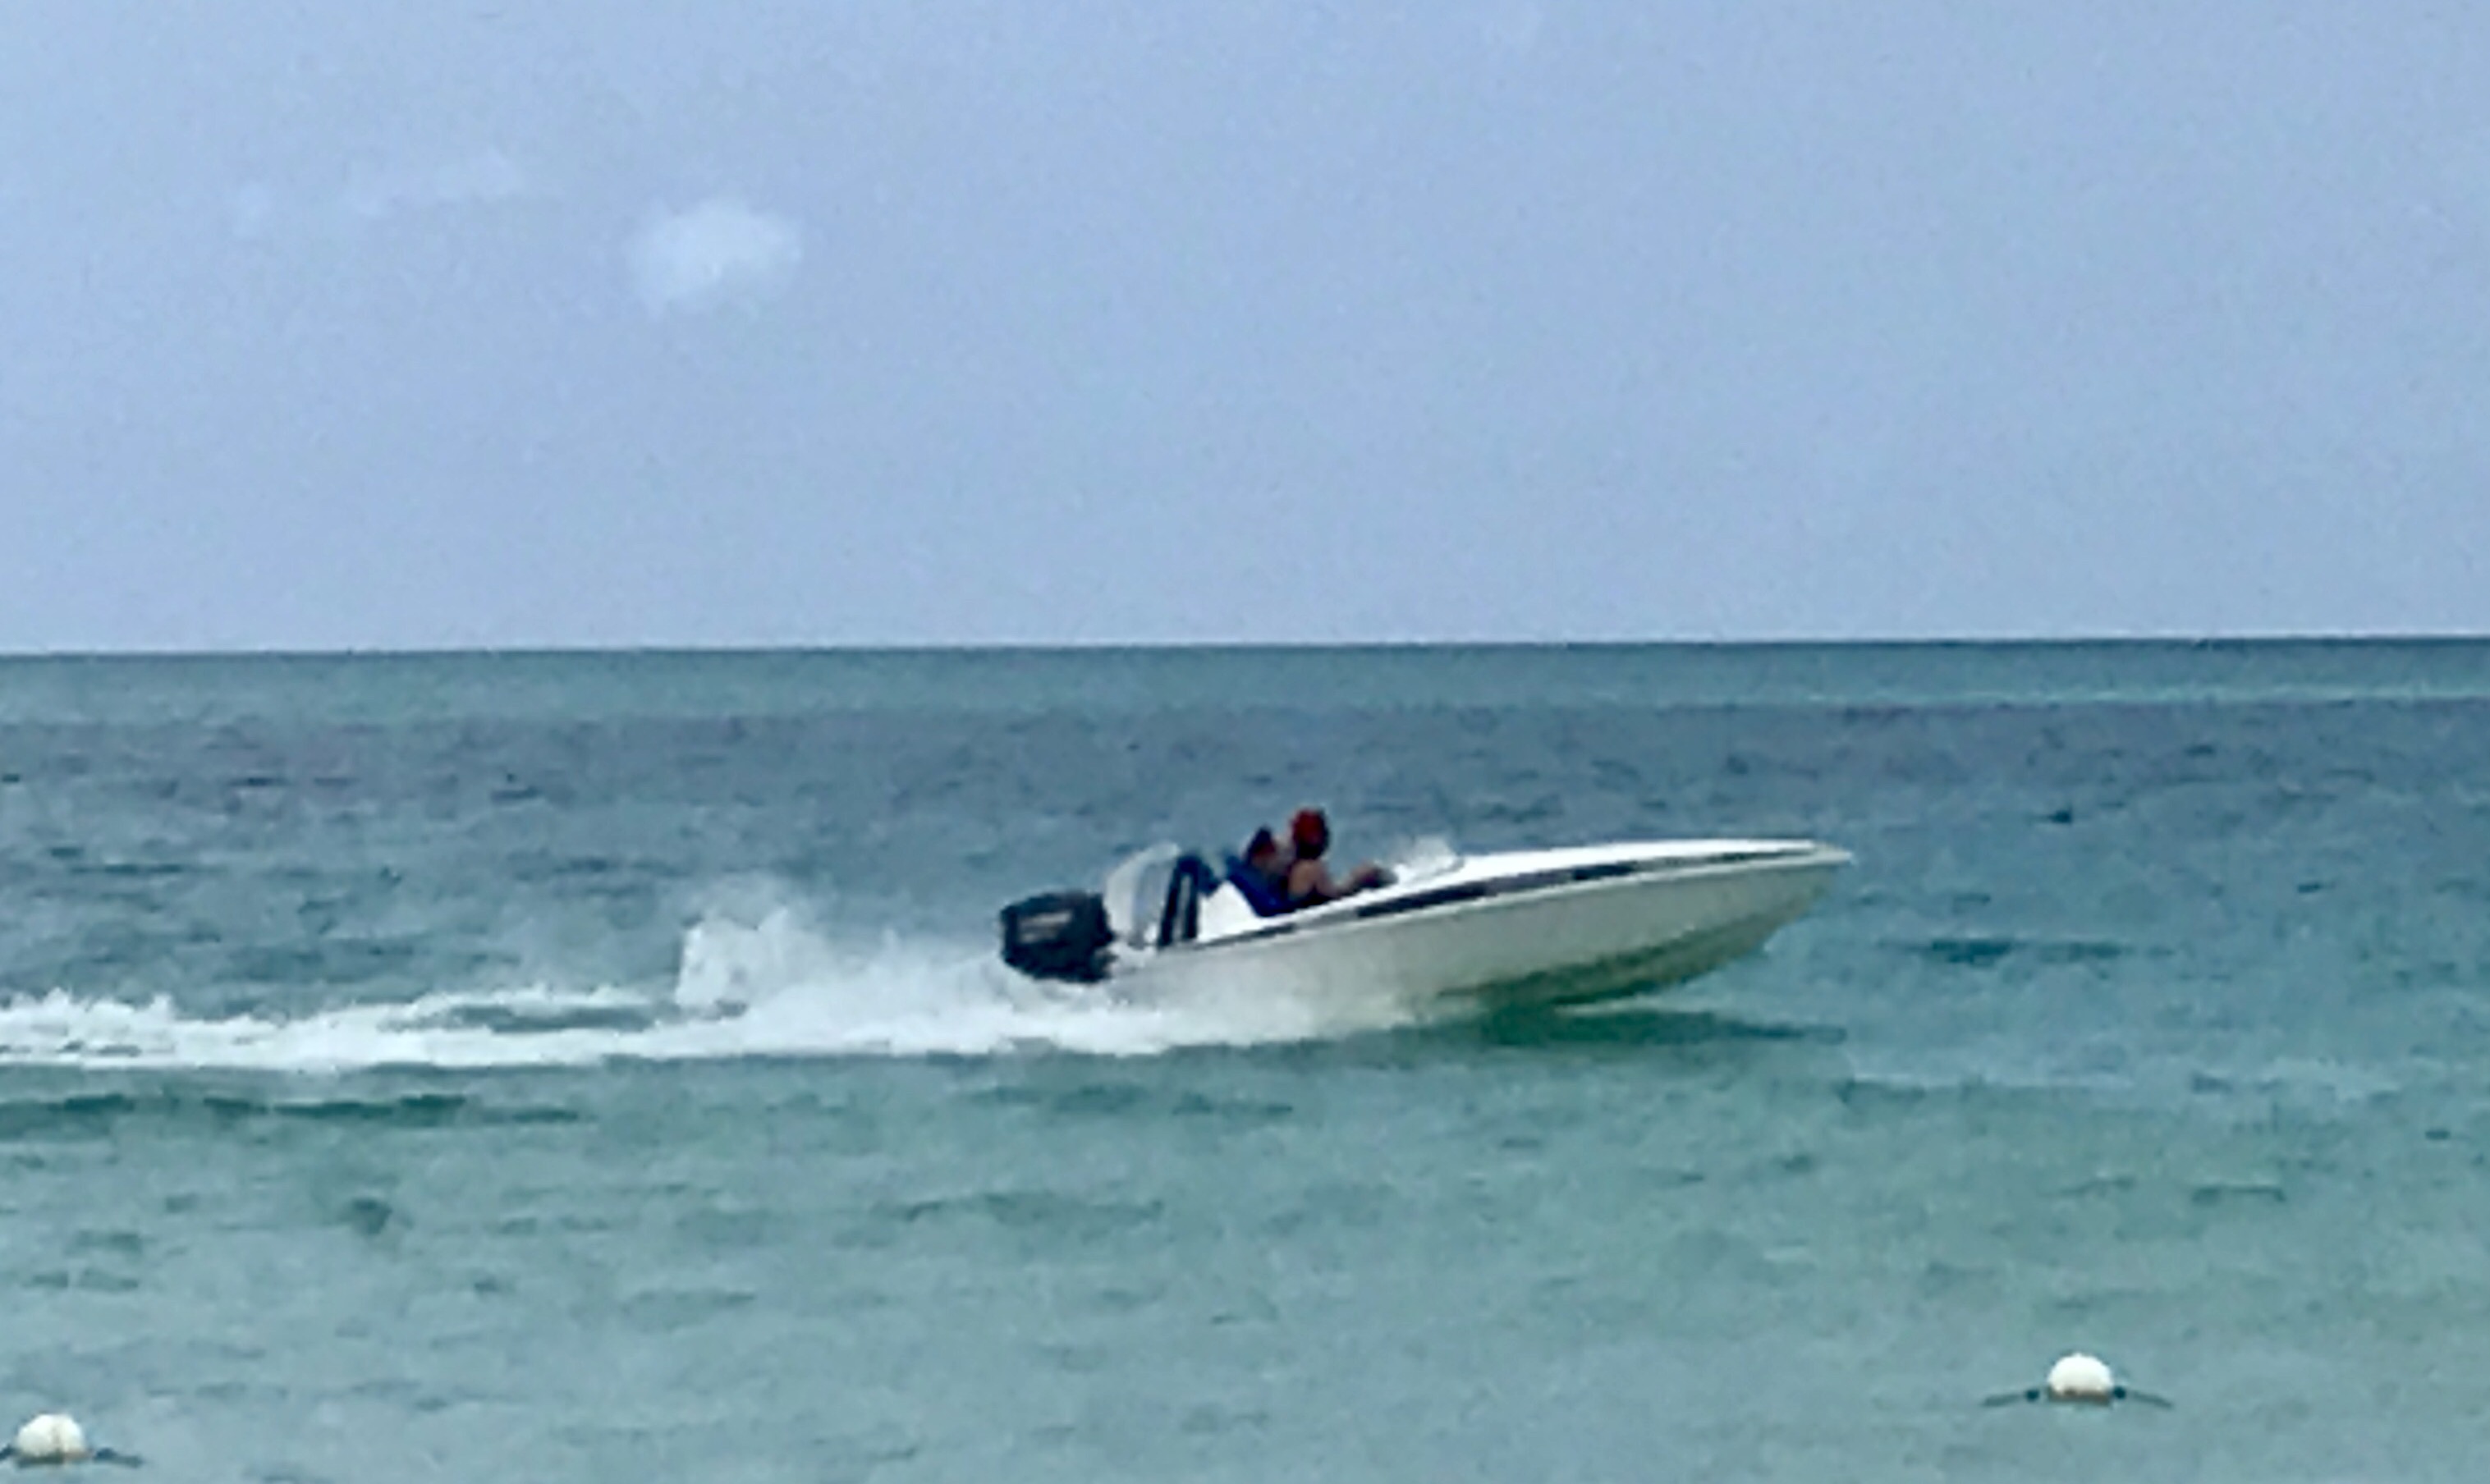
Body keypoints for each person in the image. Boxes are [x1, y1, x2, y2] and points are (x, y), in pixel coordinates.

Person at [1282, 808, 1388, 909]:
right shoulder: (1311, 868)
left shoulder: (1295, 866)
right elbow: (1335, 897)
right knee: (1370, 872)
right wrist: (1359, 879)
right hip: (1312, 918)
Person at [1226, 826, 1292, 917]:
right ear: (1260, 858)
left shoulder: (1268, 884)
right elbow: (1273, 913)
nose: (1285, 861)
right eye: (1279, 854)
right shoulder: (1250, 886)